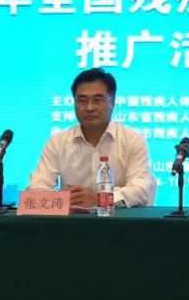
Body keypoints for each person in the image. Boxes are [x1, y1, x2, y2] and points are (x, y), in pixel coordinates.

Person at [27, 68, 156, 208]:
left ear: (113, 102)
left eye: (97, 100)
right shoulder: (58, 142)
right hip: (71, 221)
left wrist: (100, 199)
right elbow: (35, 187)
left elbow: (141, 189)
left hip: (117, 220)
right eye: (82, 101)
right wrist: (60, 198)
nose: (89, 108)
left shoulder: (132, 139)